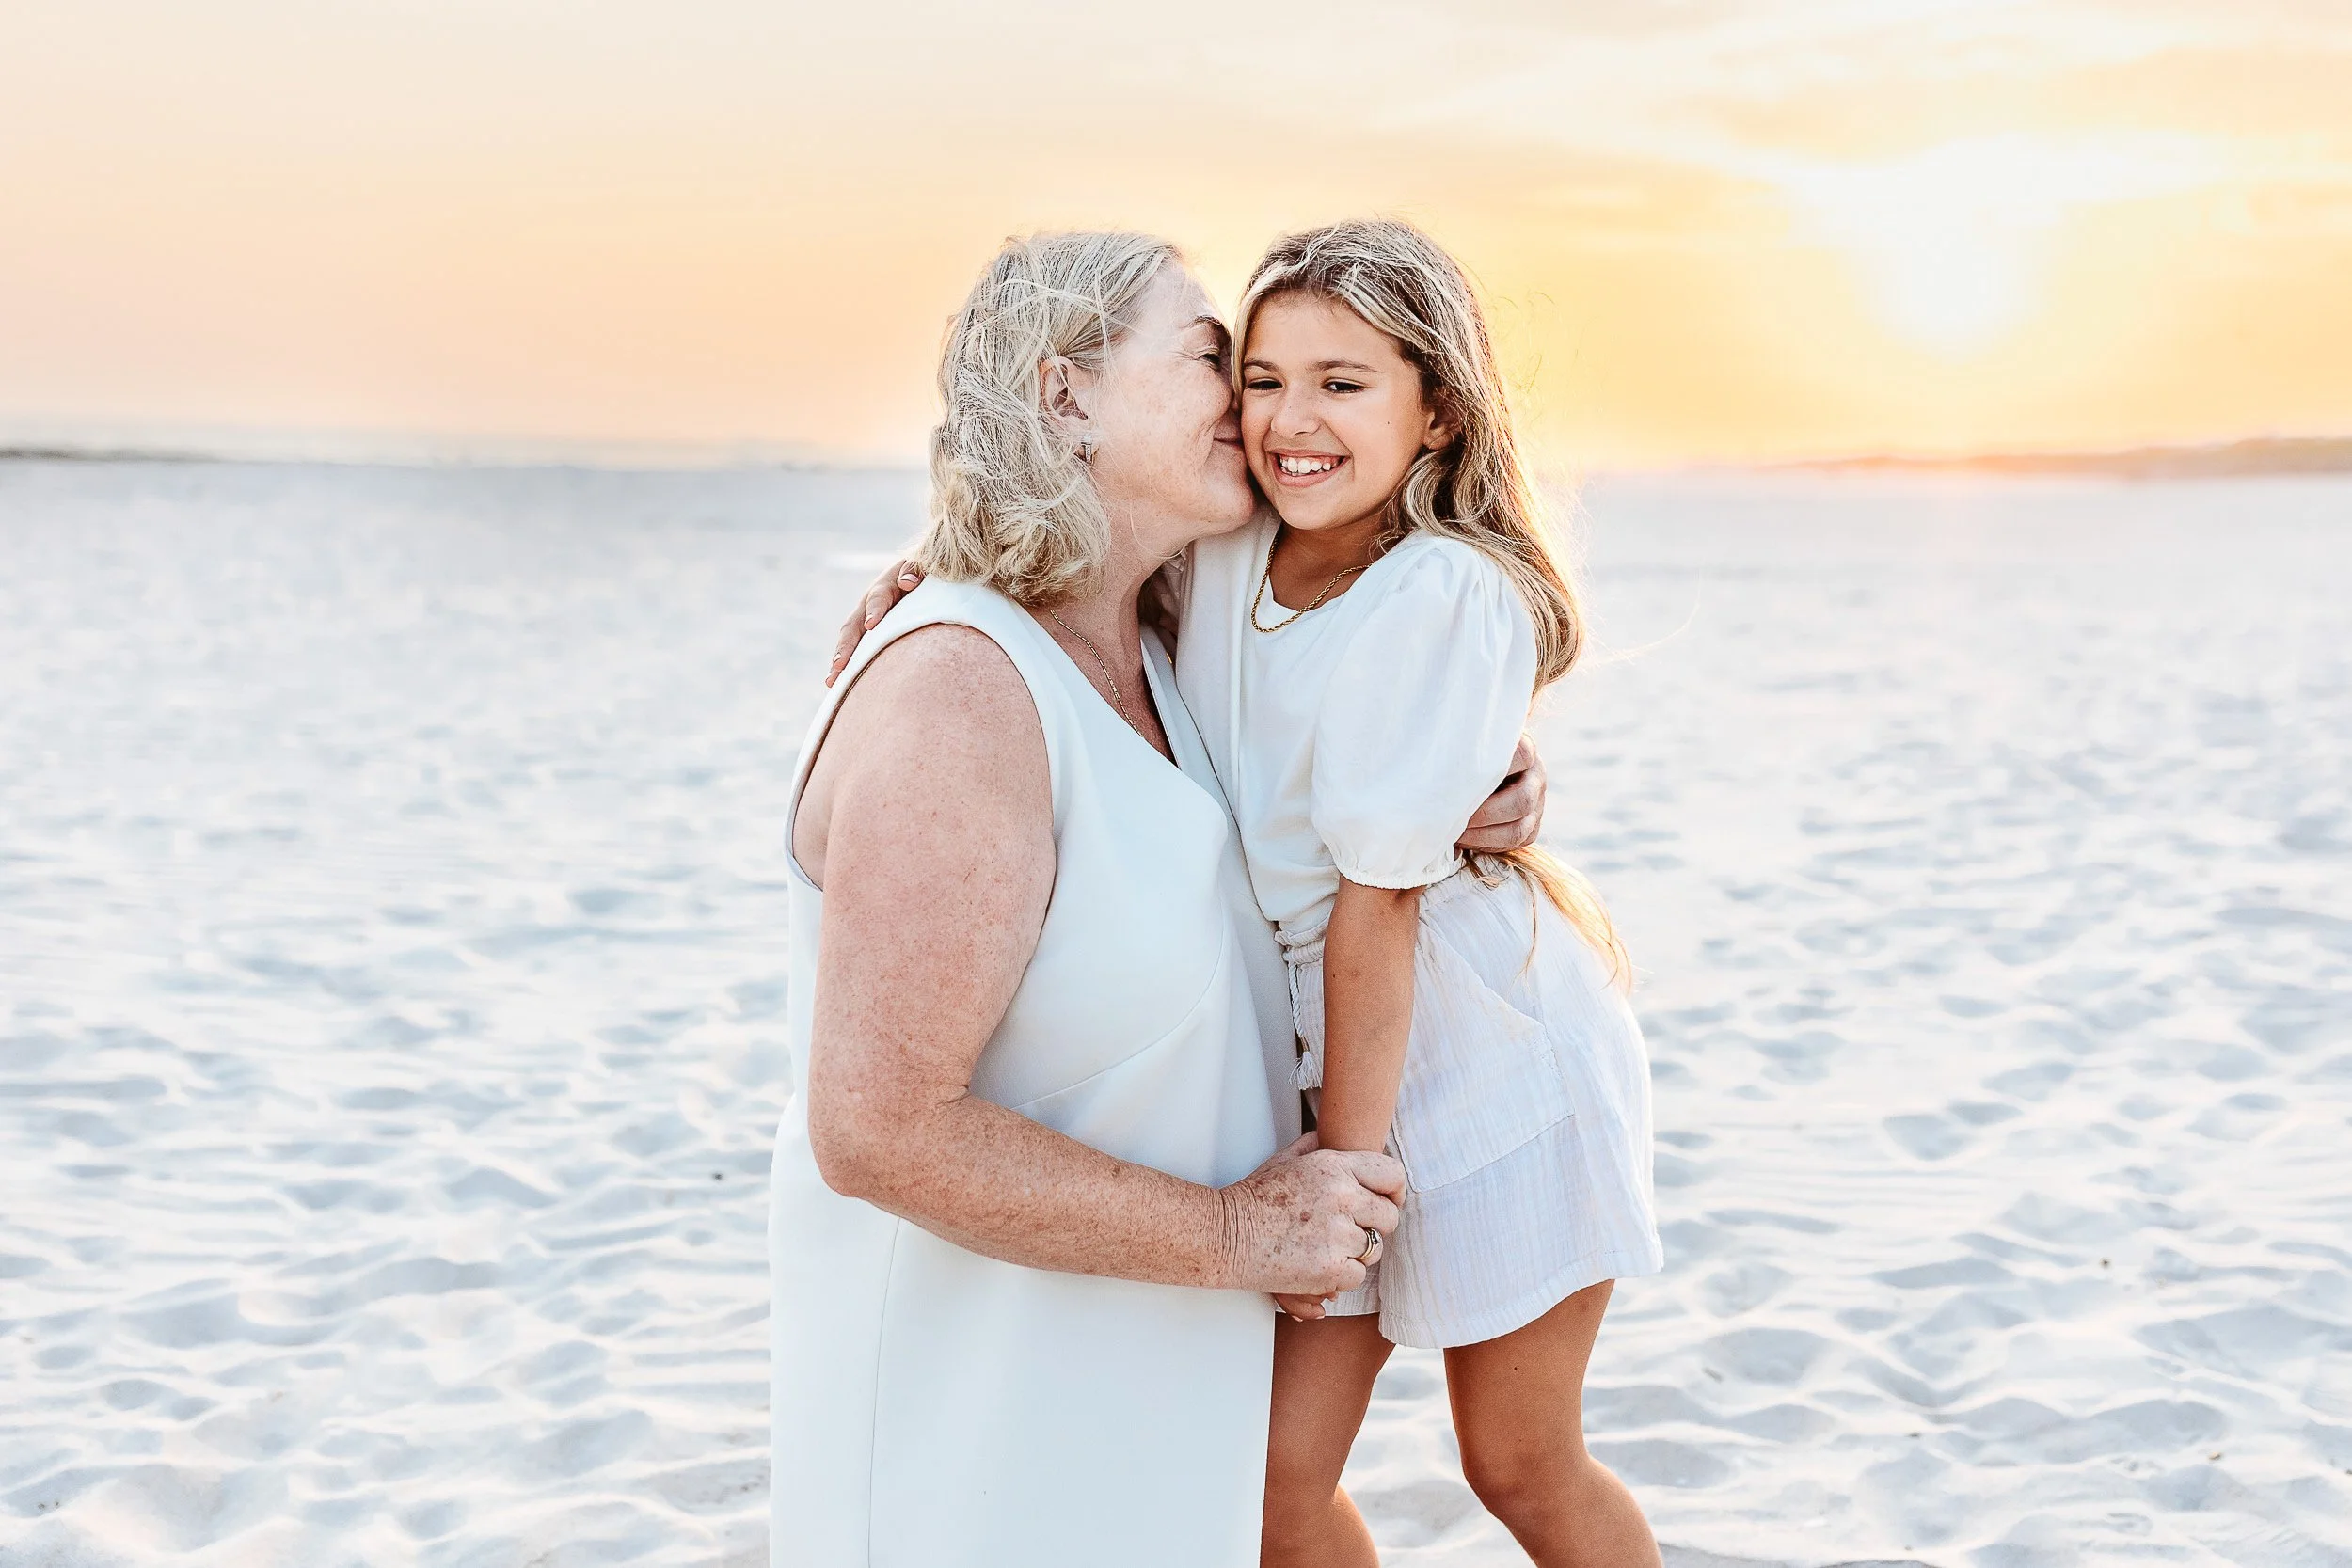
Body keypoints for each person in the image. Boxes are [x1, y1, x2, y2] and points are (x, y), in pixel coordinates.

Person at [774, 230, 1549, 1568]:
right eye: (1219, 361)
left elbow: (1341, 729)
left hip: (1153, 1399)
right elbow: (876, 1126)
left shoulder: (1155, 644)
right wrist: (1244, 1231)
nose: (1260, 412)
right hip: (982, 1452)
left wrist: (1493, 775)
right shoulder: (959, 689)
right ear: (1066, 394)